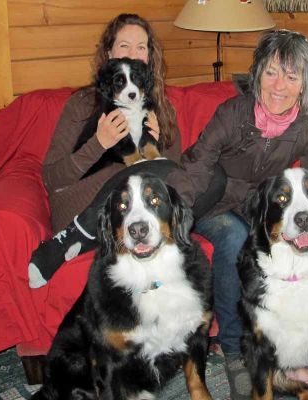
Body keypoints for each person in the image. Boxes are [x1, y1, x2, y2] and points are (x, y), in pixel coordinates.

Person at [165, 29, 308, 399]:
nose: (279, 86)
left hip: (259, 209)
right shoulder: (233, 114)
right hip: (215, 201)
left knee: (290, 252)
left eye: (291, 75)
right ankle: (234, 351)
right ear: (257, 75)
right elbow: (197, 167)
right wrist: (175, 220)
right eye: (271, 72)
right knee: (237, 238)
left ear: (306, 83)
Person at [28, 13, 225, 288]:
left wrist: (157, 148)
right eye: (124, 46)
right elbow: (51, 178)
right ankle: (76, 234)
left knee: (214, 175)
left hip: (139, 211)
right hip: (86, 204)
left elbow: (173, 176)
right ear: (109, 53)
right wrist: (98, 144)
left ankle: (165, 239)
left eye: (141, 47)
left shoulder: (160, 108)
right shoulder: (82, 104)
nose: (133, 53)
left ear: (149, 58)